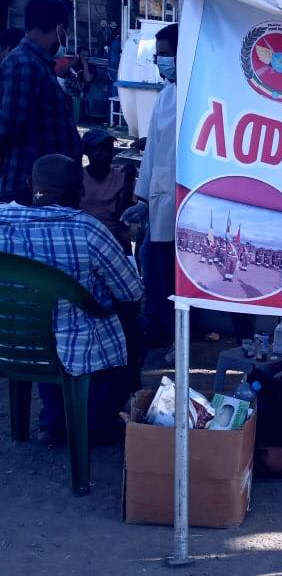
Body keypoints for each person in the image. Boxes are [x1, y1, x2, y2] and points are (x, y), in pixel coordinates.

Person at [0, 154, 143, 444]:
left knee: (48, 324)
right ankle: (93, 421)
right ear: (80, 192)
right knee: (124, 320)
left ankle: (53, 419)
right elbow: (132, 291)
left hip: (9, 341)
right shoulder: (86, 229)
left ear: (30, 184)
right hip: (72, 348)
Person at [121, 23, 177, 347]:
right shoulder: (166, 94)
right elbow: (154, 148)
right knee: (153, 268)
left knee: (166, 274)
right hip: (158, 197)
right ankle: (156, 329)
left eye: (167, 54)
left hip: (176, 201)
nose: (161, 61)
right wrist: (141, 194)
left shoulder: (190, 92)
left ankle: (169, 334)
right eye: (159, 55)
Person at [0, 0, 81, 204]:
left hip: (46, 188)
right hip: (29, 189)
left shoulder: (38, 64)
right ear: (59, 29)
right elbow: (7, 128)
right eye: (65, 32)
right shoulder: (24, 64)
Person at [80, 129, 135, 254]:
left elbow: (123, 216)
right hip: (84, 235)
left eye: (109, 149)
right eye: (98, 149)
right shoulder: (78, 178)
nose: (105, 154)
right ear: (86, 151)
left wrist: (128, 183)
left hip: (114, 236)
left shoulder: (123, 177)